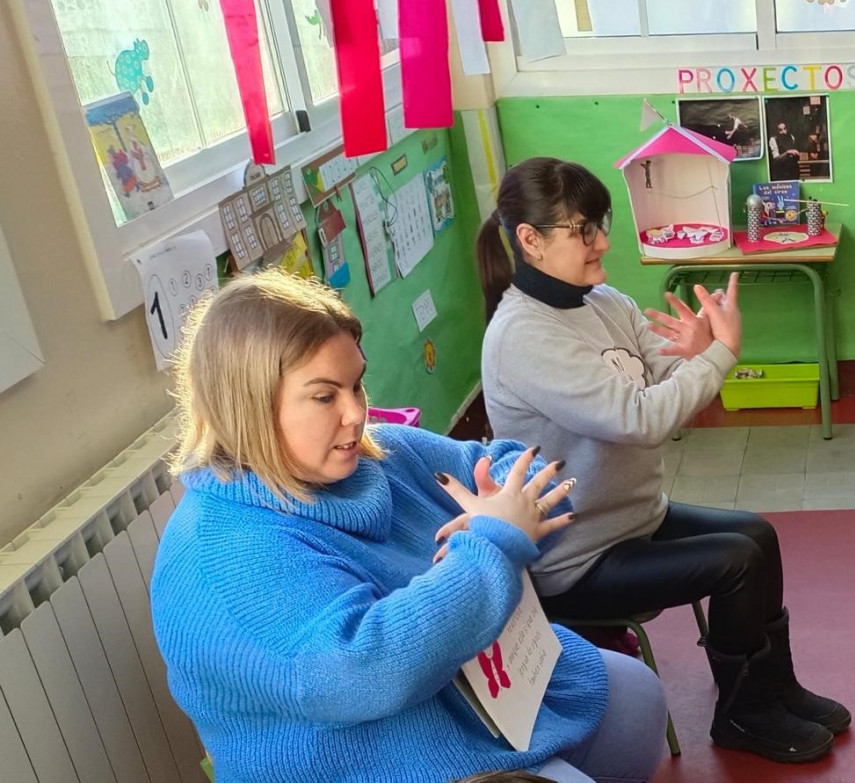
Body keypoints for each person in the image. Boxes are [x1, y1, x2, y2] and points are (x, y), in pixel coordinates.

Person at [149, 268, 668, 783]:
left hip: (465, 696)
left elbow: (511, 464)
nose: (356, 413)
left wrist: (509, 499)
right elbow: (361, 674)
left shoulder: (379, 455)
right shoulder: (220, 552)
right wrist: (491, 544)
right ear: (250, 406)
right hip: (368, 758)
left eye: (357, 384)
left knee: (637, 693)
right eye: (326, 396)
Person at [475, 157, 850, 764]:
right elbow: (643, 419)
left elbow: (666, 372)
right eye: (583, 230)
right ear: (530, 240)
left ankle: (773, 686)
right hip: (578, 556)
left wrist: (698, 352)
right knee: (734, 561)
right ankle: (743, 715)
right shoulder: (523, 336)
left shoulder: (602, 301)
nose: (604, 241)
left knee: (759, 534)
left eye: (601, 223)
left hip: (634, 518)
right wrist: (719, 356)